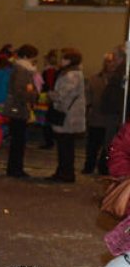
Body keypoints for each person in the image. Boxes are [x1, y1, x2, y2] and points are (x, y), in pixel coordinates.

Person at [47, 48, 86, 183]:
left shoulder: (71, 75)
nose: (61, 61)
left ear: (69, 60)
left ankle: (66, 173)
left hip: (67, 115)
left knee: (65, 146)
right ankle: (63, 171)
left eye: (64, 58)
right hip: (69, 114)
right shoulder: (73, 73)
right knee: (65, 146)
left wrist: (50, 94)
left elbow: (62, 94)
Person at [5, 45, 39, 178]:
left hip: (20, 107)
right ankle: (15, 169)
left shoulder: (22, 68)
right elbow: (20, 90)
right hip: (18, 108)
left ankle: (15, 167)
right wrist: (32, 95)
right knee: (18, 140)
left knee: (18, 140)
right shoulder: (22, 69)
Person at [83, 52, 118, 175]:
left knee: (108, 146)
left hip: (112, 119)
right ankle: (89, 166)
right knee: (93, 145)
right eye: (109, 62)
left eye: (113, 62)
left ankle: (103, 167)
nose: (111, 65)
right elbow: (87, 96)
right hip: (96, 117)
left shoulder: (119, 80)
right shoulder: (95, 78)